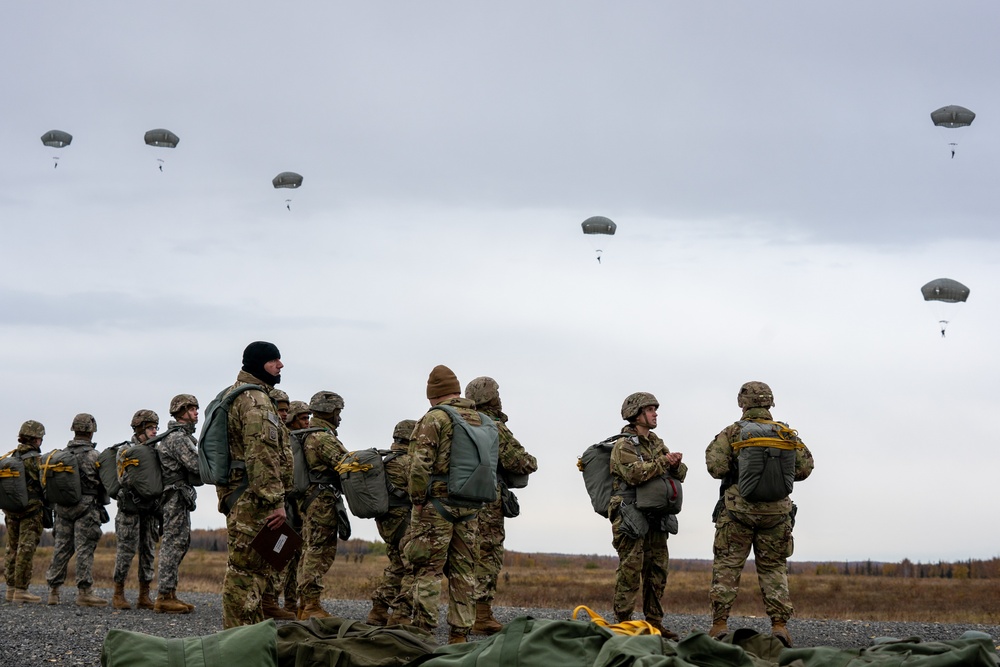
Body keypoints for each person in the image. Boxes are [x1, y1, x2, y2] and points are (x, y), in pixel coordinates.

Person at [705, 381, 814, 647]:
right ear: (769, 403)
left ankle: (720, 624)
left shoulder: (732, 433)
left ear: (742, 403)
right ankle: (779, 626)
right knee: (774, 568)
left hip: (737, 512)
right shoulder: (786, 434)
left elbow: (716, 467)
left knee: (728, 567)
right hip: (776, 514)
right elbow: (805, 468)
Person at [405, 365, 495, 644]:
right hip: (471, 505)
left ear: (433, 395)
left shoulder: (436, 417)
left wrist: (418, 500)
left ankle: (423, 632)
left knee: (428, 568)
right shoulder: (481, 419)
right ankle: (459, 635)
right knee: (464, 571)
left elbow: (419, 463)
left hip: (437, 504)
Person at [218, 341, 288, 629]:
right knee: (246, 571)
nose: (280, 365)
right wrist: (276, 501)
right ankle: (237, 642)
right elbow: (262, 454)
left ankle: (247, 637)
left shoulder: (238, 394)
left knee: (252, 569)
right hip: (253, 498)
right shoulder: (255, 401)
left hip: (243, 494)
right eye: (274, 361)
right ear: (261, 364)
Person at [608, 392, 686, 640]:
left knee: (657, 570)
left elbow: (681, 473)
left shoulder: (656, 442)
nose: (655, 414)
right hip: (630, 514)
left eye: (655, 409)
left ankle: (654, 622)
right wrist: (664, 462)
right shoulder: (624, 445)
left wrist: (674, 463)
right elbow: (634, 474)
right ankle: (623, 622)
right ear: (636, 414)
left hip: (656, 515)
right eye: (650, 409)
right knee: (631, 569)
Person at [464, 376, 538, 635]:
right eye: (496, 393)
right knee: (488, 554)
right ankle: (481, 616)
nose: (500, 397)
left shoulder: (459, 423)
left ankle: (463, 613)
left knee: (464, 556)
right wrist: (531, 461)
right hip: (487, 500)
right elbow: (521, 462)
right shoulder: (492, 425)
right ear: (489, 398)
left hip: (458, 500)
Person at [45, 413, 109, 607]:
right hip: (87, 508)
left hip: (62, 508)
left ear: (74, 430)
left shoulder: (61, 455)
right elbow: (104, 483)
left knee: (61, 549)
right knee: (84, 549)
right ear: (91, 432)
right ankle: (84, 592)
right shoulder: (94, 456)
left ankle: (53, 592)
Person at [295, 390, 349, 620]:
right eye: (338, 412)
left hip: (313, 499)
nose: (339, 417)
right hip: (322, 501)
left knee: (310, 550)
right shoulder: (322, 437)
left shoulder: (311, 434)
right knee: (319, 552)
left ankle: (304, 604)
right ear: (329, 411)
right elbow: (344, 464)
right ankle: (310, 606)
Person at [152, 394, 202, 614]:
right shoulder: (178, 438)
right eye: (192, 410)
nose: (196, 413)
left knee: (180, 541)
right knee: (173, 543)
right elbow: (195, 465)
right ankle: (164, 596)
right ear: (181, 412)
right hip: (174, 495)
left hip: (178, 495)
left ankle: (170, 593)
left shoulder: (179, 436)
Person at [366, 418, 417, 626]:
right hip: (405, 521)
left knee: (397, 565)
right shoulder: (409, 462)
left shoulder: (383, 460)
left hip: (386, 522)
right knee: (413, 566)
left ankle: (378, 610)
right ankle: (401, 614)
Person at [112, 409, 162, 610]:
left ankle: (144, 595)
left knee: (148, 550)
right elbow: (123, 478)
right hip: (130, 508)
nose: (154, 431)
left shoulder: (157, 450)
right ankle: (118, 593)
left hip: (150, 509)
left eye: (156, 427)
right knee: (126, 550)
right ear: (140, 428)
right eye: (150, 427)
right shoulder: (125, 450)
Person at [260, 388, 296, 620]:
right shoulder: (267, 428)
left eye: (286, 410)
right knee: (268, 551)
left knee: (280, 549)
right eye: (280, 409)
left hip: (283, 495)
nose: (283, 414)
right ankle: (265, 601)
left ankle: (269, 600)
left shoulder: (283, 431)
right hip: (269, 498)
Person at [3, 420, 46, 604]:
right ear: (36, 438)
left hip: (11, 510)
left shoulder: (10, 457)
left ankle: (11, 589)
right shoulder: (34, 460)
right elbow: (43, 484)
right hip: (31, 511)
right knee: (25, 549)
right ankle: (21, 590)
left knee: (11, 548)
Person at [278, 399, 312, 616]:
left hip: (302, 504)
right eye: (302, 418)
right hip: (284, 503)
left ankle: (292, 603)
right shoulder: (285, 439)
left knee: (298, 556)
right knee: (281, 553)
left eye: (308, 418)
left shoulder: (306, 440)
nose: (307, 422)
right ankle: (273, 600)